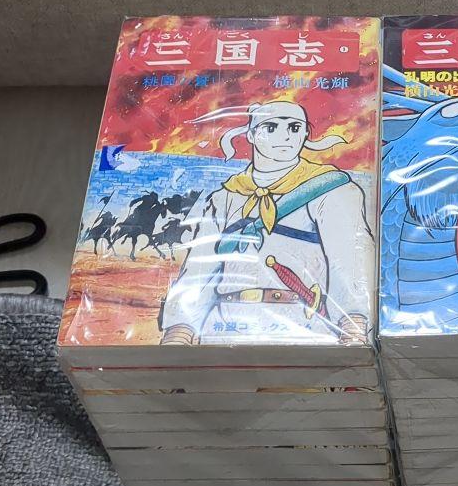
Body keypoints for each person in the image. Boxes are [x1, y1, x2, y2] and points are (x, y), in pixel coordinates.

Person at [159, 100, 373, 344]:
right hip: (225, 326)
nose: (285, 136)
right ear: (251, 135)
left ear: (305, 134)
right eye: (271, 127)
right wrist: (180, 331)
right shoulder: (225, 197)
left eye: (294, 127)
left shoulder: (331, 190)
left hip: (303, 328)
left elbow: (349, 261)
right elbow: (200, 269)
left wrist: (354, 327)